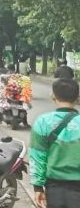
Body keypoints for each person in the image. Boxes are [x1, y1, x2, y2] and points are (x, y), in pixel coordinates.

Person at [30, 78, 80, 208]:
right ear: (77, 97)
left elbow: (37, 157)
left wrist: (38, 187)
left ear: (53, 96)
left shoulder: (43, 122)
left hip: (54, 188)